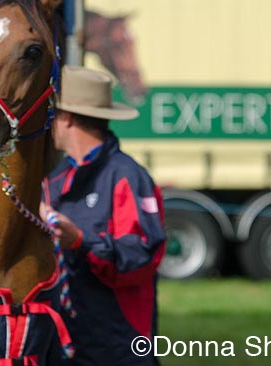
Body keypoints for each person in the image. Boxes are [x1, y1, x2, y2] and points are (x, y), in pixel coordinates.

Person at [40, 65, 166, 366]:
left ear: (66, 117)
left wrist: (80, 241)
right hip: (67, 344)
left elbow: (141, 257)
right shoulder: (55, 179)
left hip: (118, 346)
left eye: (51, 114)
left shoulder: (127, 177)